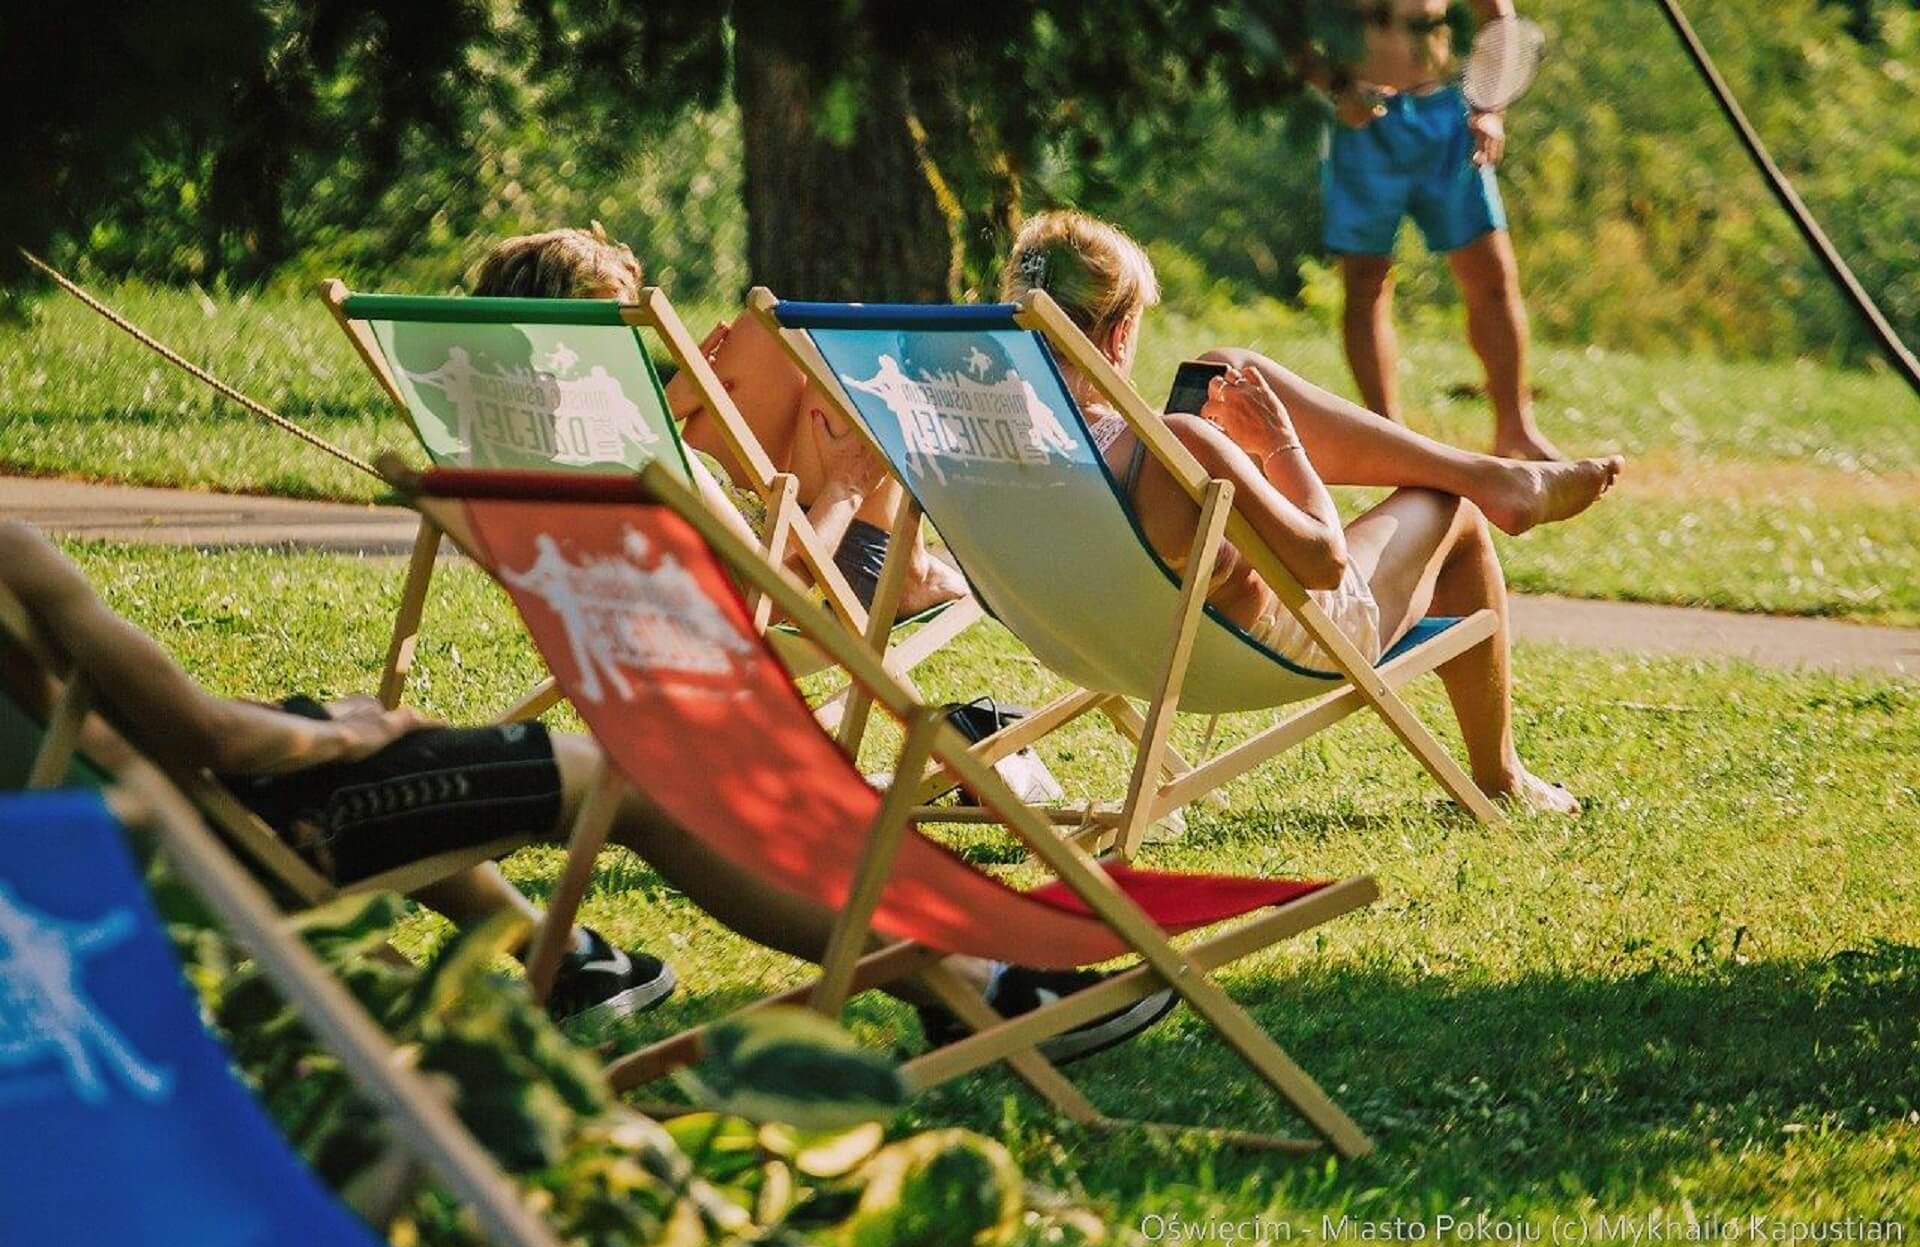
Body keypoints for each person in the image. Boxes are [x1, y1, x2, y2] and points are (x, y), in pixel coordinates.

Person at [0, 521, 1175, 1060]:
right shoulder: (13, 557)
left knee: (344, 733)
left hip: (89, 863)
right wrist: (354, 731)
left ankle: (562, 964)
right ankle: (967, 980)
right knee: (636, 779)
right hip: (240, 832)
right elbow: (211, 738)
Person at [1002, 210, 1625, 814]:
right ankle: (1502, 775)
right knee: (1451, 511)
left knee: (1226, 369)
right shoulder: (1180, 446)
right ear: (1116, 337)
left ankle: (1493, 476)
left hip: (1089, 639)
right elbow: (1324, 565)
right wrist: (1278, 445)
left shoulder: (979, 442)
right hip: (1253, 649)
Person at [472, 226, 967, 614]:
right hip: (814, 565)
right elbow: (769, 595)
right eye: (615, 330)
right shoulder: (659, 461)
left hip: (695, 550)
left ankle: (913, 569)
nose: (626, 345)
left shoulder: (507, 435)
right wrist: (846, 488)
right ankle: (906, 574)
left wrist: (658, 412)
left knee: (759, 336)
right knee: (854, 362)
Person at [1303, 0, 1559, 460]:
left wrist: (1489, 107)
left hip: (1446, 118)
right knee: (1365, 284)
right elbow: (1285, 26)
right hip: (1362, 122)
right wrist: (1337, 89)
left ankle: (1516, 430)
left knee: (1492, 278)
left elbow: (1499, 18)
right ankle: (1391, 440)